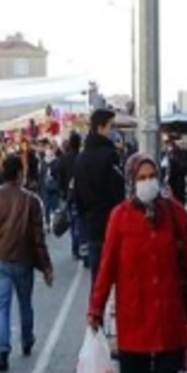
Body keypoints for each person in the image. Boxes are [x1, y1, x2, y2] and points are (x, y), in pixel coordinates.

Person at [88, 153, 187, 373]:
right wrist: (96, 308)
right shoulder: (120, 217)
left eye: (151, 176)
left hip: (168, 309)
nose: (147, 182)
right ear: (130, 181)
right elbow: (107, 266)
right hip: (134, 310)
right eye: (140, 178)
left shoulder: (175, 214)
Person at [0, 155, 53, 373]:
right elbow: (39, 239)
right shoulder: (32, 200)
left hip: (1, 259)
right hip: (24, 260)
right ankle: (26, 341)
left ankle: (2, 350)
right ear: (19, 173)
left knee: (2, 306)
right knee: (25, 303)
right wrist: (46, 267)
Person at [72, 109, 125, 284]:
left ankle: (96, 309)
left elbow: (77, 195)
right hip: (112, 223)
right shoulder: (110, 156)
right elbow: (119, 192)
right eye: (111, 126)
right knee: (117, 276)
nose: (113, 131)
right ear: (101, 128)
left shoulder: (81, 159)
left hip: (92, 224)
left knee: (98, 278)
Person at [58, 132, 84, 260]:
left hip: (68, 195)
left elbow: (60, 178)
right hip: (82, 195)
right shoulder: (82, 158)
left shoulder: (63, 159)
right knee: (80, 222)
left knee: (72, 222)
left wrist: (63, 192)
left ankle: (75, 249)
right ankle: (79, 247)